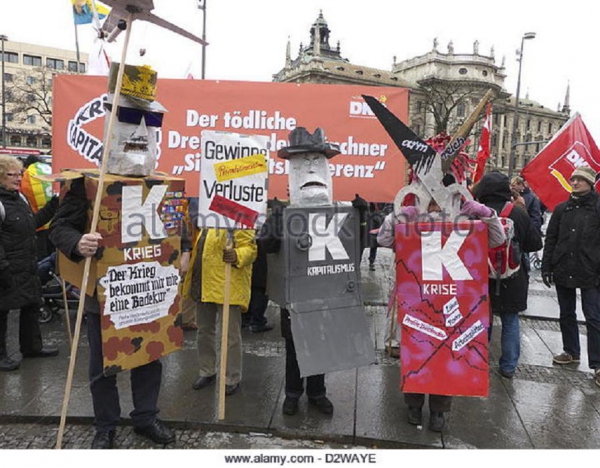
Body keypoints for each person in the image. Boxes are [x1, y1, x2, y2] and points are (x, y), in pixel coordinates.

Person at [49, 63, 176, 449]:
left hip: (148, 294)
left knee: (149, 357)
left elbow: (172, 230)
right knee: (102, 365)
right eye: (128, 117)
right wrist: (78, 242)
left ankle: (145, 418)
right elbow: (59, 227)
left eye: (148, 120)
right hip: (101, 295)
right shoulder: (86, 184)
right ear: (110, 123)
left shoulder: (164, 185)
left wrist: (181, 253)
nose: (139, 131)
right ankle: (106, 425)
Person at [378, 190, 505, 432]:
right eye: (430, 196)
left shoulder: (466, 222)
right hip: (417, 302)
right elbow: (383, 240)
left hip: (454, 302)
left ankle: (439, 410)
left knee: (447, 356)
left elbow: (497, 239)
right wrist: (396, 218)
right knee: (417, 354)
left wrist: (486, 214)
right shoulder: (411, 222)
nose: (436, 203)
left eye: (441, 197)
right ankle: (413, 405)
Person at [474, 172, 543, 379]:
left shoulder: (476, 213)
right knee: (510, 320)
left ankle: (477, 361)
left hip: (481, 276)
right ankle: (508, 367)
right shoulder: (517, 213)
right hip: (513, 278)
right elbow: (535, 244)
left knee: (481, 320)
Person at [541, 166, 600, 388]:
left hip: (590, 271)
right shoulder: (562, 209)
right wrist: (547, 266)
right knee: (566, 313)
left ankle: (598, 363)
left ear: (589, 183)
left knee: (593, 317)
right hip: (564, 268)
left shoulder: (597, 208)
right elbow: (551, 239)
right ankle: (571, 351)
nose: (574, 183)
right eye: (573, 179)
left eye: (579, 180)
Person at [0, 155, 59, 372]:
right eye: (11, 175)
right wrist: (3, 268)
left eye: (19, 174)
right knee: (2, 312)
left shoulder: (20, 198)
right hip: (7, 268)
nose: (18, 178)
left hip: (26, 265)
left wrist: (55, 204)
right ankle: (1, 355)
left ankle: (32, 347)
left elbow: (33, 223)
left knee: (31, 305)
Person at [185, 227, 257, 396]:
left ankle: (231, 377)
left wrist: (238, 255)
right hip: (203, 283)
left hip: (227, 285)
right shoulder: (208, 217)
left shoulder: (238, 217)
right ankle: (207, 370)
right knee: (204, 331)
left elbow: (251, 249)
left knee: (230, 336)